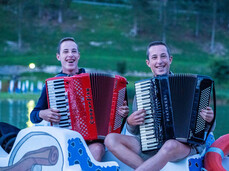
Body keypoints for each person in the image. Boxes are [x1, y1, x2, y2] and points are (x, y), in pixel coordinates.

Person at [104, 41, 215, 171]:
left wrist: (210, 118)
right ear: (148, 63)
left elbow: (209, 128)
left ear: (170, 59)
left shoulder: (194, 86)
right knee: (110, 139)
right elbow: (135, 131)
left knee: (169, 145)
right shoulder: (143, 90)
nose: (159, 61)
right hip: (151, 144)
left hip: (182, 146)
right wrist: (130, 122)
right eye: (154, 57)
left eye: (163, 56)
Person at [30, 37, 129, 161]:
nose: (70, 55)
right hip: (64, 139)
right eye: (65, 51)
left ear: (78, 55)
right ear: (58, 56)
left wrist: (122, 113)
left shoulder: (93, 81)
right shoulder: (52, 85)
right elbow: (33, 115)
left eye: (74, 51)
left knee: (98, 149)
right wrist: (42, 113)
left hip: (92, 141)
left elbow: (116, 118)